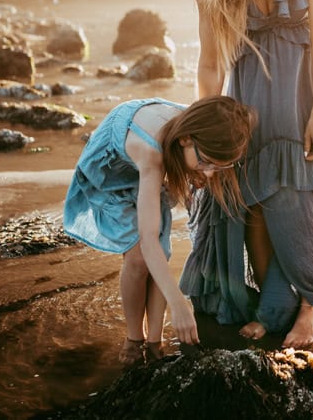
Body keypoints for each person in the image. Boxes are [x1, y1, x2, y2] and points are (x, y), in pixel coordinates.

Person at [178, 0, 313, 349]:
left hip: (303, 87)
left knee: (298, 195)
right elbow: (209, 62)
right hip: (248, 87)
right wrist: (210, 131)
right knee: (251, 200)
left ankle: (310, 308)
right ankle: (275, 309)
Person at [63, 96, 256, 365]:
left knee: (161, 256)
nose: (210, 174)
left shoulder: (196, 132)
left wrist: (200, 165)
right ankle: (134, 337)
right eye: (207, 162)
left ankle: (154, 341)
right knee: (139, 257)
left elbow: (158, 247)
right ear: (186, 140)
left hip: (149, 166)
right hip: (111, 172)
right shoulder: (152, 153)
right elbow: (147, 240)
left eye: (217, 166)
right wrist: (178, 303)